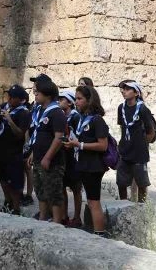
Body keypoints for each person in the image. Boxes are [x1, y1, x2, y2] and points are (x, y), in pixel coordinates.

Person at [66, 84, 110, 236]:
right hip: (84, 164)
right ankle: (96, 231)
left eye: (79, 99)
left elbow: (103, 145)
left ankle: (100, 233)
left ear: (89, 100)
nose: (76, 102)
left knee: (93, 202)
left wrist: (79, 144)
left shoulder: (97, 120)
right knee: (90, 201)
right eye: (76, 98)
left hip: (94, 166)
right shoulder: (82, 118)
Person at [27, 75, 66, 223]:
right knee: (40, 190)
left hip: (52, 161)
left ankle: (57, 221)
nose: (35, 94)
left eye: (38, 92)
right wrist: (32, 153)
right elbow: (38, 135)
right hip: (38, 157)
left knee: (53, 191)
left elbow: (58, 138)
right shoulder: (40, 111)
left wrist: (48, 157)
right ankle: (43, 217)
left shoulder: (56, 113)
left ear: (48, 95)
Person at [0, 85, 31, 215]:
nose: (9, 99)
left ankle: (16, 208)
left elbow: (20, 133)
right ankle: (7, 202)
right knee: (2, 178)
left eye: (12, 97)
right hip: (1, 148)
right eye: (9, 95)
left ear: (20, 100)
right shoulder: (6, 107)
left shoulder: (24, 113)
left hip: (14, 151)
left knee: (14, 181)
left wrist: (9, 120)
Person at [116, 80, 155, 203]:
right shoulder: (120, 108)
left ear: (136, 92)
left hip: (139, 153)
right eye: (123, 89)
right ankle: (122, 205)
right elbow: (122, 127)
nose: (124, 91)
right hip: (124, 151)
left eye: (128, 89)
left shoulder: (143, 109)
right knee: (121, 183)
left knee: (141, 183)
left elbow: (151, 131)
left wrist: (142, 145)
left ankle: (142, 207)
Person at [58, 89, 83, 227]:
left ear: (69, 102)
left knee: (76, 188)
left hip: (73, 157)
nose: (59, 101)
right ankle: (64, 215)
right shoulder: (62, 116)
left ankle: (77, 217)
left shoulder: (75, 117)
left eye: (62, 99)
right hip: (63, 156)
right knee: (62, 187)